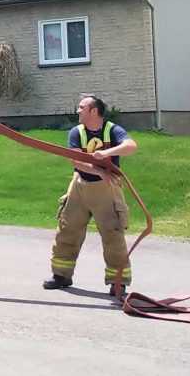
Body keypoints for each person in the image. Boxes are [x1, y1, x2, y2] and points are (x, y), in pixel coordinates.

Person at [43, 94, 138, 297]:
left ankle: (118, 282)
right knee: (67, 229)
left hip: (107, 190)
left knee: (113, 235)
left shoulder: (112, 130)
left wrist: (106, 153)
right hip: (80, 186)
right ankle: (61, 275)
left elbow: (131, 146)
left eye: (81, 107)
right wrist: (100, 171)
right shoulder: (76, 132)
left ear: (93, 111)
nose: (78, 110)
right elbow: (76, 161)